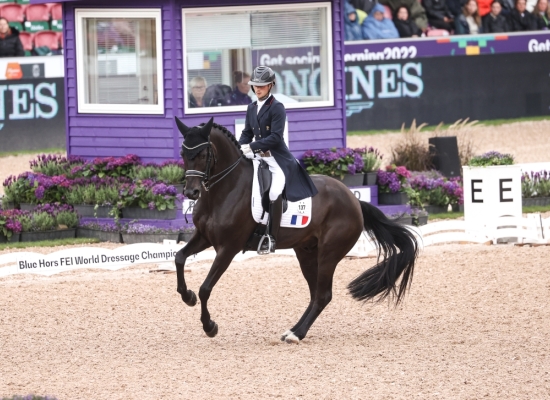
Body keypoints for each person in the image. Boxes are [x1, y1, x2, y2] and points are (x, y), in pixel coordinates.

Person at [239, 66, 318, 254]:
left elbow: (275, 137)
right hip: (258, 157)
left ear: (270, 86)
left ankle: (270, 238)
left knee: (274, 193)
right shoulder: (251, 108)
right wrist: (239, 147)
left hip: (277, 160)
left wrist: (251, 147)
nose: (258, 89)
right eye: (255, 86)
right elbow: (247, 133)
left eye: (262, 86)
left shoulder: (277, 107)